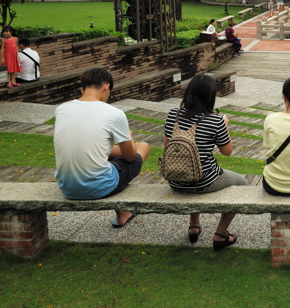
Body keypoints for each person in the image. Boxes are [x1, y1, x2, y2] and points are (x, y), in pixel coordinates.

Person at [53, 68, 151, 228]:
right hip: (98, 187)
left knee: (101, 156)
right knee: (143, 147)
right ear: (106, 87)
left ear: (82, 89)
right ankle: (123, 211)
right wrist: (130, 138)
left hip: (67, 187)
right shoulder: (114, 113)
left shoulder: (61, 109)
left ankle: (122, 214)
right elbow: (129, 157)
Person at [163, 74, 245, 249]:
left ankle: (194, 226)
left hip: (175, 180)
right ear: (211, 96)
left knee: (193, 169)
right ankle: (221, 233)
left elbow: (166, 146)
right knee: (242, 183)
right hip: (203, 181)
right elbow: (227, 152)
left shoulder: (172, 115)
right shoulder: (215, 120)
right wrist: (225, 126)